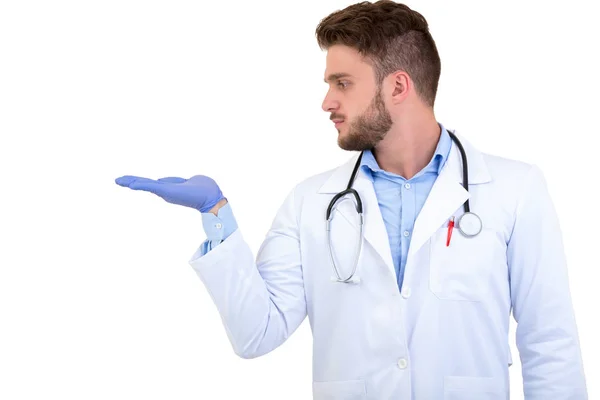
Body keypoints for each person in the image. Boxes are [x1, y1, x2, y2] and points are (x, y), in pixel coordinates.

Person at [115, 1, 587, 398]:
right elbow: (256, 333)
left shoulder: (515, 189)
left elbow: (550, 344)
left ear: (398, 86)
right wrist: (216, 215)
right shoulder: (310, 203)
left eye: (342, 83)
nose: (326, 102)